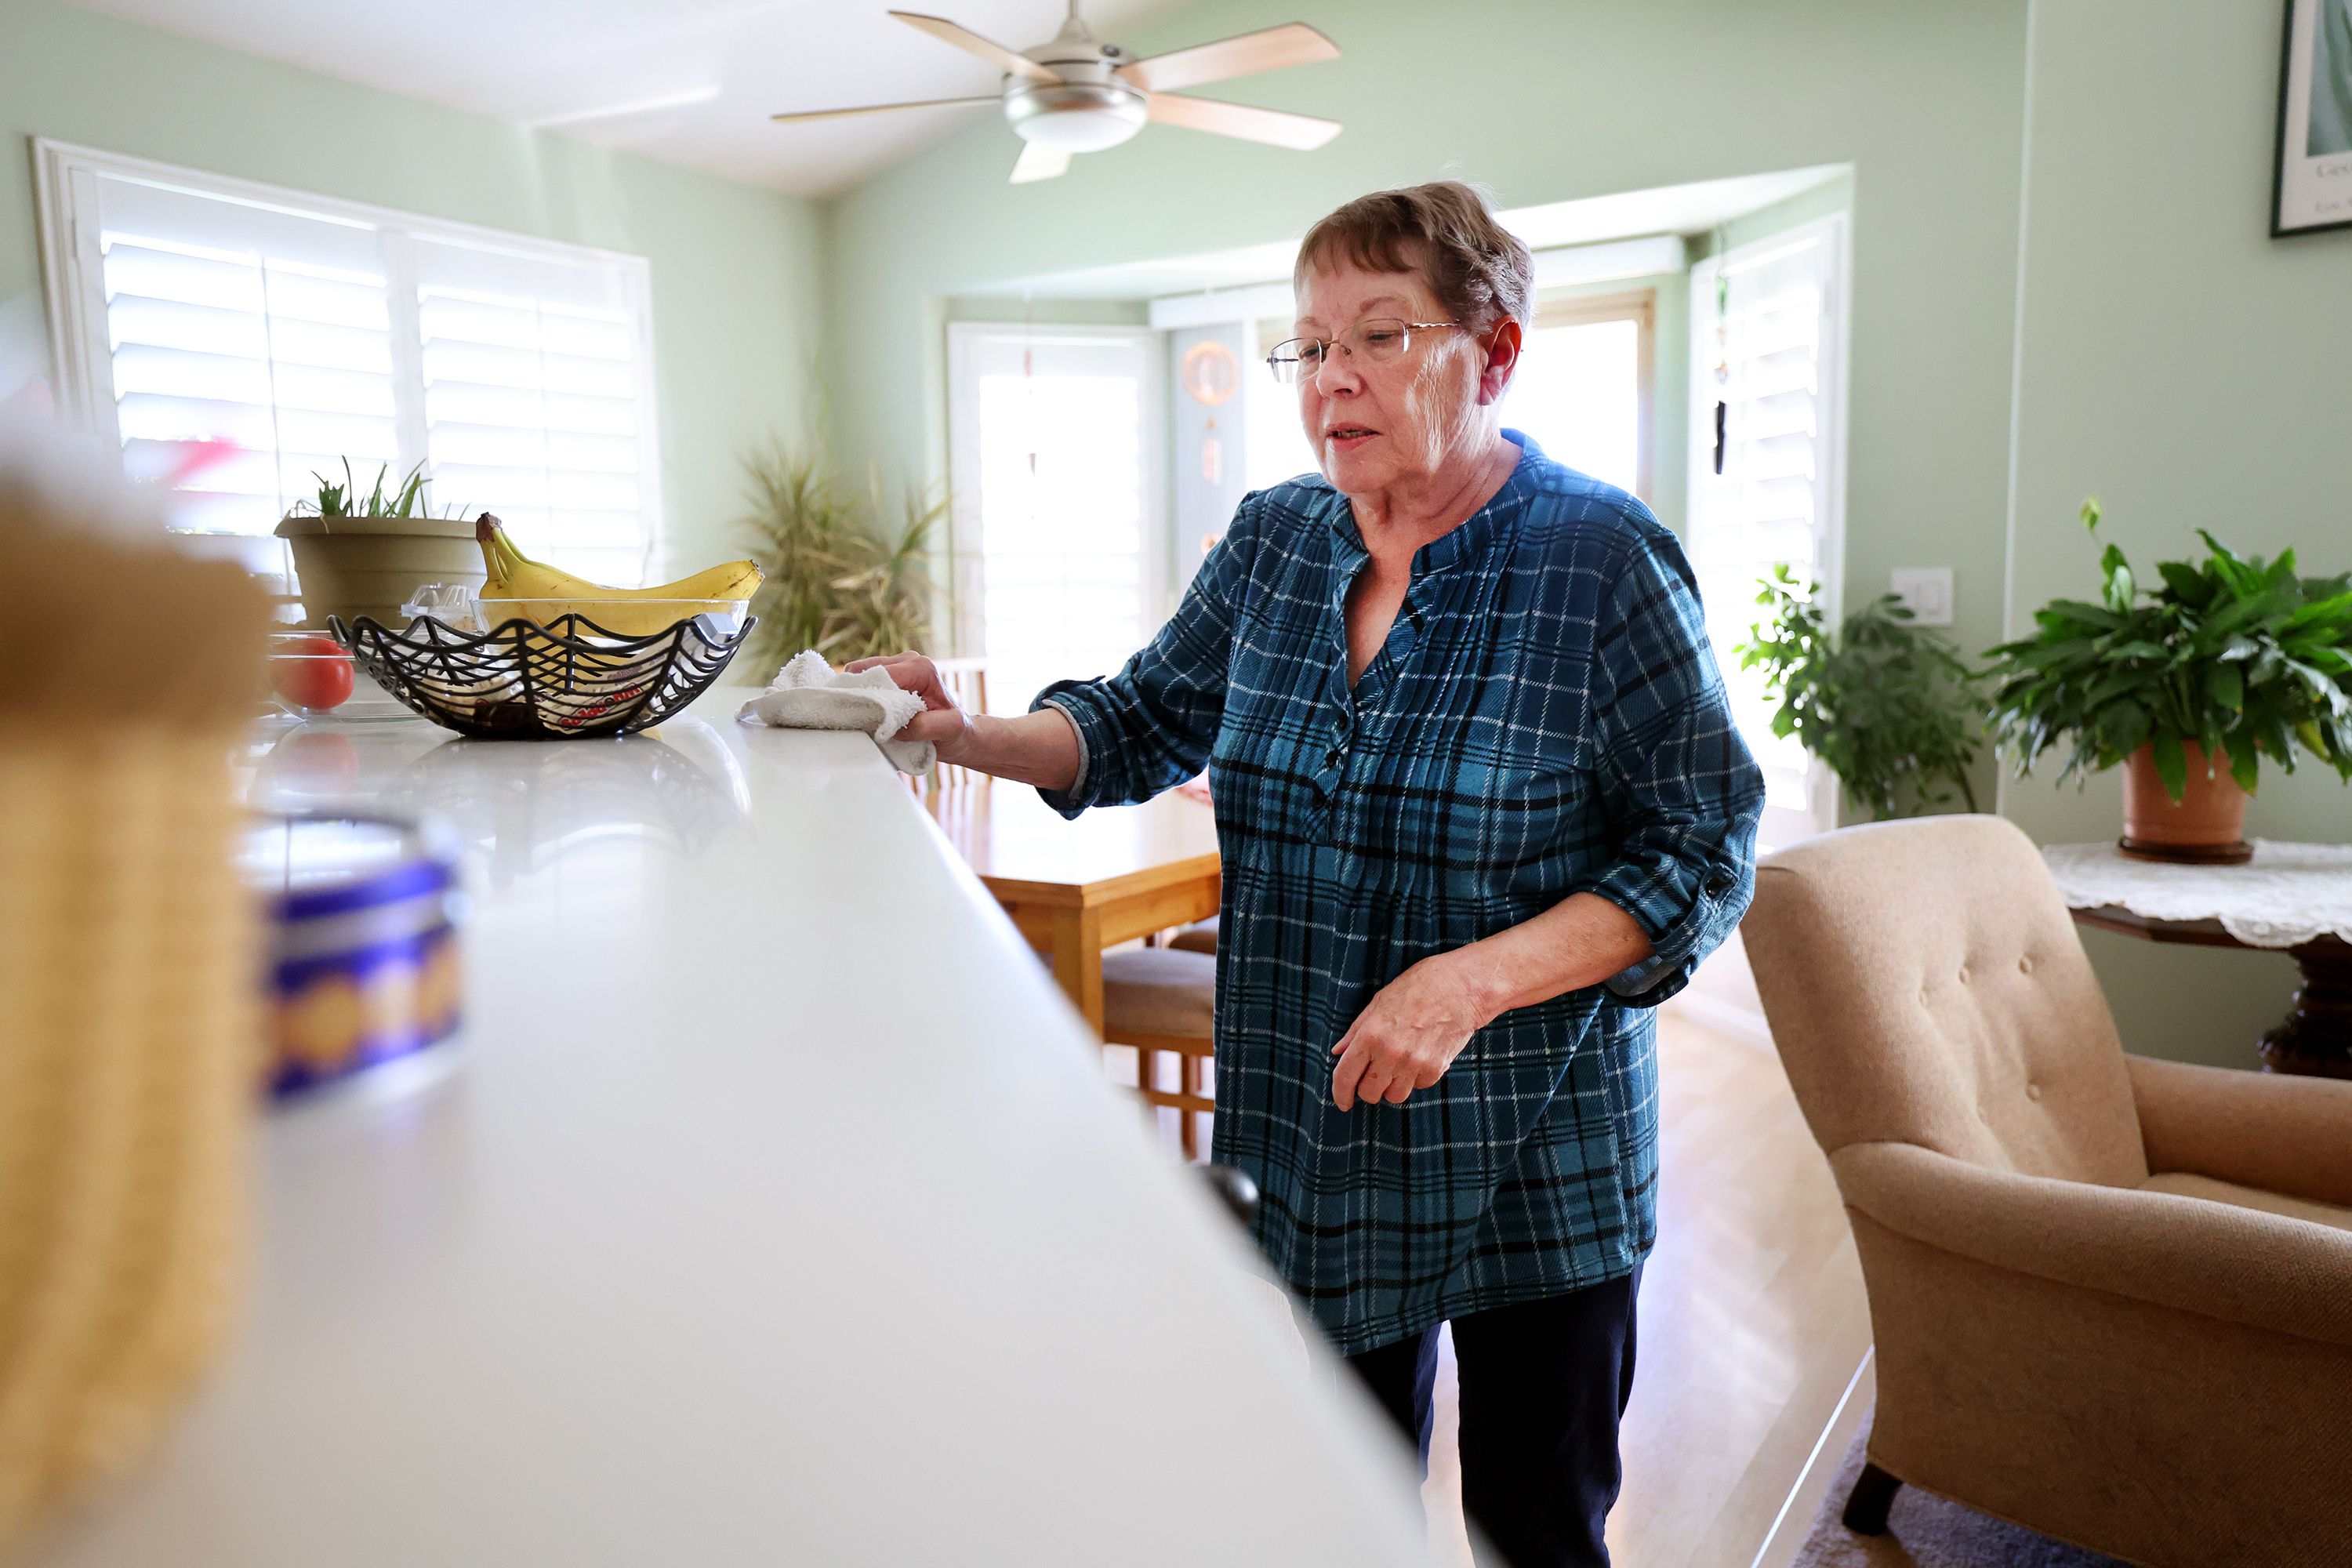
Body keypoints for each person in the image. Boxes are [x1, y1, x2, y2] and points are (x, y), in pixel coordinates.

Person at [853, 181, 1764, 1568]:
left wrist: (1469, 982)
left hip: (1531, 1146)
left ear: (1495, 354)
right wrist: (959, 732)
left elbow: (1703, 844)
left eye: (1381, 336)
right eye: (1312, 344)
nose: (1333, 376)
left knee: (1533, 1525)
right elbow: (1135, 719)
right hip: (1318, 1128)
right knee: (1334, 1507)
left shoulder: (1602, 558)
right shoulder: (1278, 540)